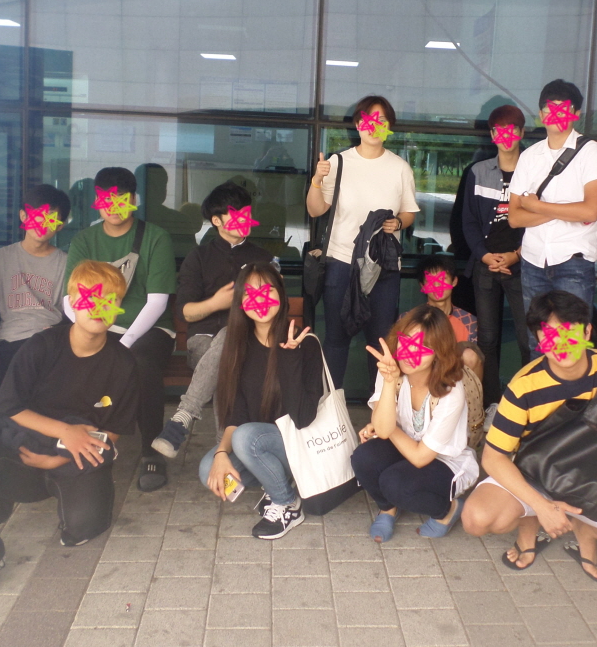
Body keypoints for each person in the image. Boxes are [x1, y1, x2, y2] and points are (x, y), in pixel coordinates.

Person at [0, 261, 138, 596]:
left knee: (84, 527)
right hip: (23, 450)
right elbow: (9, 407)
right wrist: (64, 431)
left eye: (108, 300)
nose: (98, 308)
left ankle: (63, 495)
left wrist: (59, 459)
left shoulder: (123, 363)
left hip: (75, 457)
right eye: (90, 298)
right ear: (72, 302)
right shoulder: (43, 345)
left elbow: (113, 431)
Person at [461, 291, 597, 580]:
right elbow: (493, 457)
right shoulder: (524, 385)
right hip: (540, 478)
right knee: (476, 518)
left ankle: (587, 529)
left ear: (586, 331)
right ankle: (531, 523)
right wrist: (541, 506)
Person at [64, 167, 177, 492]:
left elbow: (157, 302)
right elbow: (69, 299)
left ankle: (151, 450)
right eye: (106, 199)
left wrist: (122, 344)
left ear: (134, 200)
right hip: (96, 326)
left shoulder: (155, 237)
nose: (113, 207)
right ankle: (76, 440)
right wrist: (91, 331)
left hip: (149, 330)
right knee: (62, 357)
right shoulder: (84, 240)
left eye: (121, 199)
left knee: (140, 364)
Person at [199, 262, 323, 539]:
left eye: (267, 290)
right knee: (208, 469)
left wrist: (290, 358)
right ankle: (275, 480)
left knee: (247, 438)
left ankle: (287, 502)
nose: (260, 299)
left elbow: (303, 418)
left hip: (300, 446)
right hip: (258, 444)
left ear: (281, 294)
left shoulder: (305, 343)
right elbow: (237, 413)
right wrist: (221, 455)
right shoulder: (238, 345)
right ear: (240, 303)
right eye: (249, 293)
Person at [152, 182, 275, 458]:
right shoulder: (199, 257)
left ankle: (184, 417)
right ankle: (228, 453)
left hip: (253, 345)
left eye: (247, 213)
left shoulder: (262, 259)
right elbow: (185, 312)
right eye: (237, 214)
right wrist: (215, 303)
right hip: (203, 344)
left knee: (230, 339)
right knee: (227, 351)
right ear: (217, 221)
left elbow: (275, 305)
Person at [306, 95, 420, 389]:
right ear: (358, 125)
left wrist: (398, 223)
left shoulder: (400, 168)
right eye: (368, 120)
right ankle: (331, 407)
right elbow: (315, 210)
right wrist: (317, 179)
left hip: (383, 268)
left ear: (388, 128)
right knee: (336, 339)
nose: (374, 126)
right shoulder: (339, 162)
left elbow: (408, 212)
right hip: (342, 263)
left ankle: (380, 408)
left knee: (381, 342)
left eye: (382, 121)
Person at [351, 305, 479, 542]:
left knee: (395, 483)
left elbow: (420, 457)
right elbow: (382, 428)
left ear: (439, 353)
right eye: (406, 342)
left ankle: (447, 510)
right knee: (363, 458)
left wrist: (384, 425)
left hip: (443, 459)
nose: (410, 354)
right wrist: (390, 382)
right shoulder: (391, 368)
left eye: (423, 348)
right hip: (405, 445)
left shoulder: (451, 390)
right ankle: (387, 509)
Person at [0, 184, 71, 435]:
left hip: (47, 344)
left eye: (51, 219)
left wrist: (59, 332)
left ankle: (21, 434)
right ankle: (24, 433)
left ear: (60, 225)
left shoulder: (67, 263)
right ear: (23, 215)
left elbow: (73, 313)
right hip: (6, 345)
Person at [508, 80, 597, 321]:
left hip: (573, 263)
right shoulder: (529, 156)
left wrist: (536, 206)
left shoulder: (591, 152)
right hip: (533, 260)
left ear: (576, 114)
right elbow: (514, 218)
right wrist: (567, 210)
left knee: (571, 337)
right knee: (538, 337)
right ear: (541, 115)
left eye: (563, 109)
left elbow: (590, 211)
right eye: (550, 109)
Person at [461, 103, 532, 407]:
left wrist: (517, 255)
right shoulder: (478, 172)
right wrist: (484, 255)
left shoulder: (535, 171)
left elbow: (542, 221)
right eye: (499, 130)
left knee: (528, 340)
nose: (506, 136)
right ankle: (489, 404)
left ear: (521, 132)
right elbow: (468, 221)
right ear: (492, 135)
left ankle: (527, 403)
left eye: (512, 129)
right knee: (487, 340)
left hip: (523, 266)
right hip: (486, 266)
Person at [415, 254, 482, 374]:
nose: (437, 285)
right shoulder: (410, 319)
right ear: (422, 286)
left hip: (457, 379)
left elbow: (474, 361)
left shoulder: (469, 321)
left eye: (442, 279)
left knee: (470, 355)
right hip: (421, 379)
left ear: (454, 281)